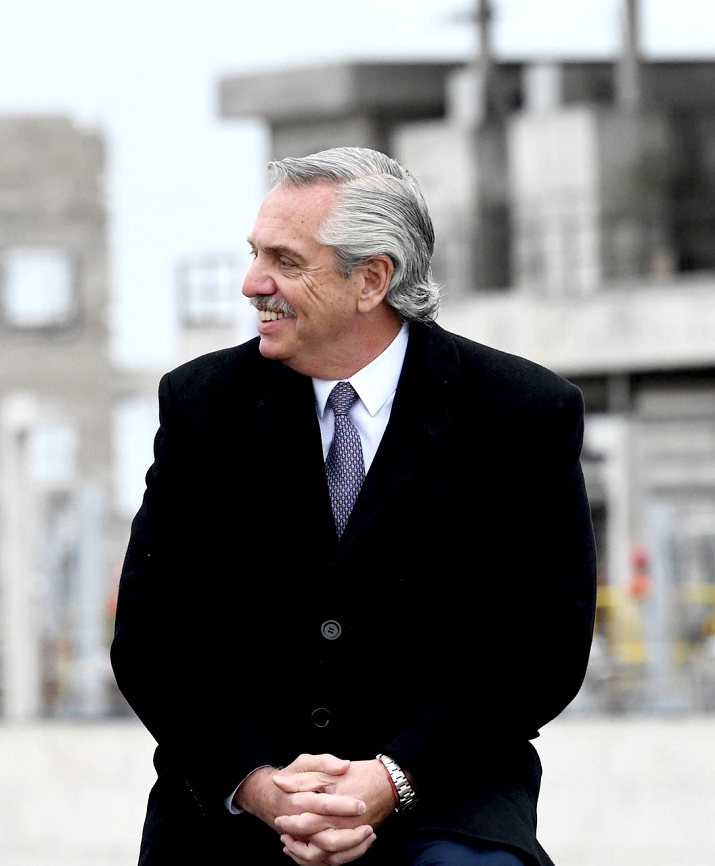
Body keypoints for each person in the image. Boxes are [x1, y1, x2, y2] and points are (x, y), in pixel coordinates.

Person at [110, 147, 596, 866]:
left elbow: (541, 647)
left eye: (285, 260)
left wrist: (390, 779)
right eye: (254, 254)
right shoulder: (202, 407)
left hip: (447, 802)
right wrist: (260, 784)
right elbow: (152, 637)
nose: (251, 283)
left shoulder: (521, 413)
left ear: (372, 280)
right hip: (234, 808)